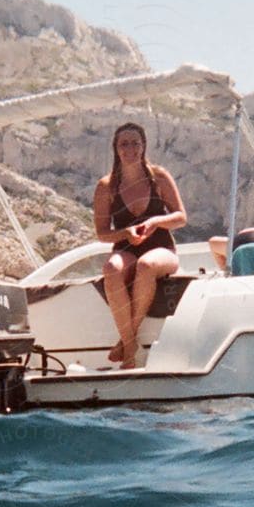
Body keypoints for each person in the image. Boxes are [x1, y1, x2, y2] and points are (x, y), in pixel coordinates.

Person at [94, 122, 187, 368]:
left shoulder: (159, 177)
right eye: (124, 144)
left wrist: (156, 221)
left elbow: (181, 217)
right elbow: (102, 233)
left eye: (135, 143)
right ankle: (131, 343)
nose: (130, 149)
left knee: (146, 265)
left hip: (162, 249)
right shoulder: (106, 187)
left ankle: (127, 343)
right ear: (116, 148)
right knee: (111, 269)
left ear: (144, 146)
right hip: (126, 249)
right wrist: (125, 233)